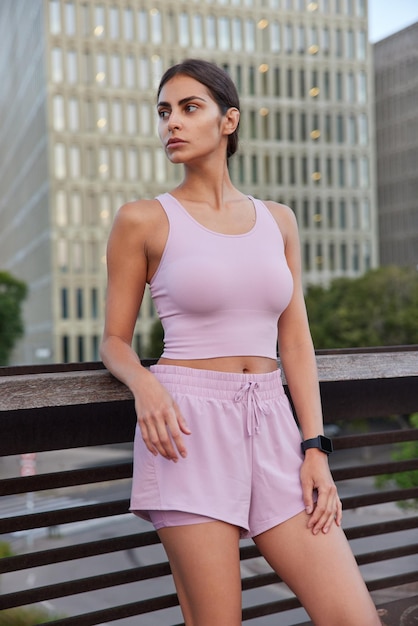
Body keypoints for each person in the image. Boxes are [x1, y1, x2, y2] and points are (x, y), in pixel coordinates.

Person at [100, 59, 381, 626]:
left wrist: (315, 448)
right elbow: (114, 341)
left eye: (188, 107)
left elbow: (295, 341)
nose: (170, 124)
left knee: (354, 618)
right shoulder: (144, 220)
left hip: (273, 423)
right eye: (163, 111)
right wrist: (145, 384)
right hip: (186, 429)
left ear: (229, 121)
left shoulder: (278, 220)